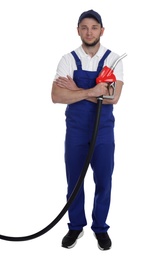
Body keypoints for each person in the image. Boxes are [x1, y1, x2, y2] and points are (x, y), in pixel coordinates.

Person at [51, 9, 124, 250]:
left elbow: (113, 99)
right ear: (78, 31)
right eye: (84, 27)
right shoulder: (67, 60)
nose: (89, 32)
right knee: (74, 181)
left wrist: (76, 91)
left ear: (101, 30)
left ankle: (100, 228)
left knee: (103, 180)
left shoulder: (113, 60)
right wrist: (93, 92)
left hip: (103, 132)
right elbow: (56, 95)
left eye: (94, 27)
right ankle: (75, 227)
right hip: (76, 131)